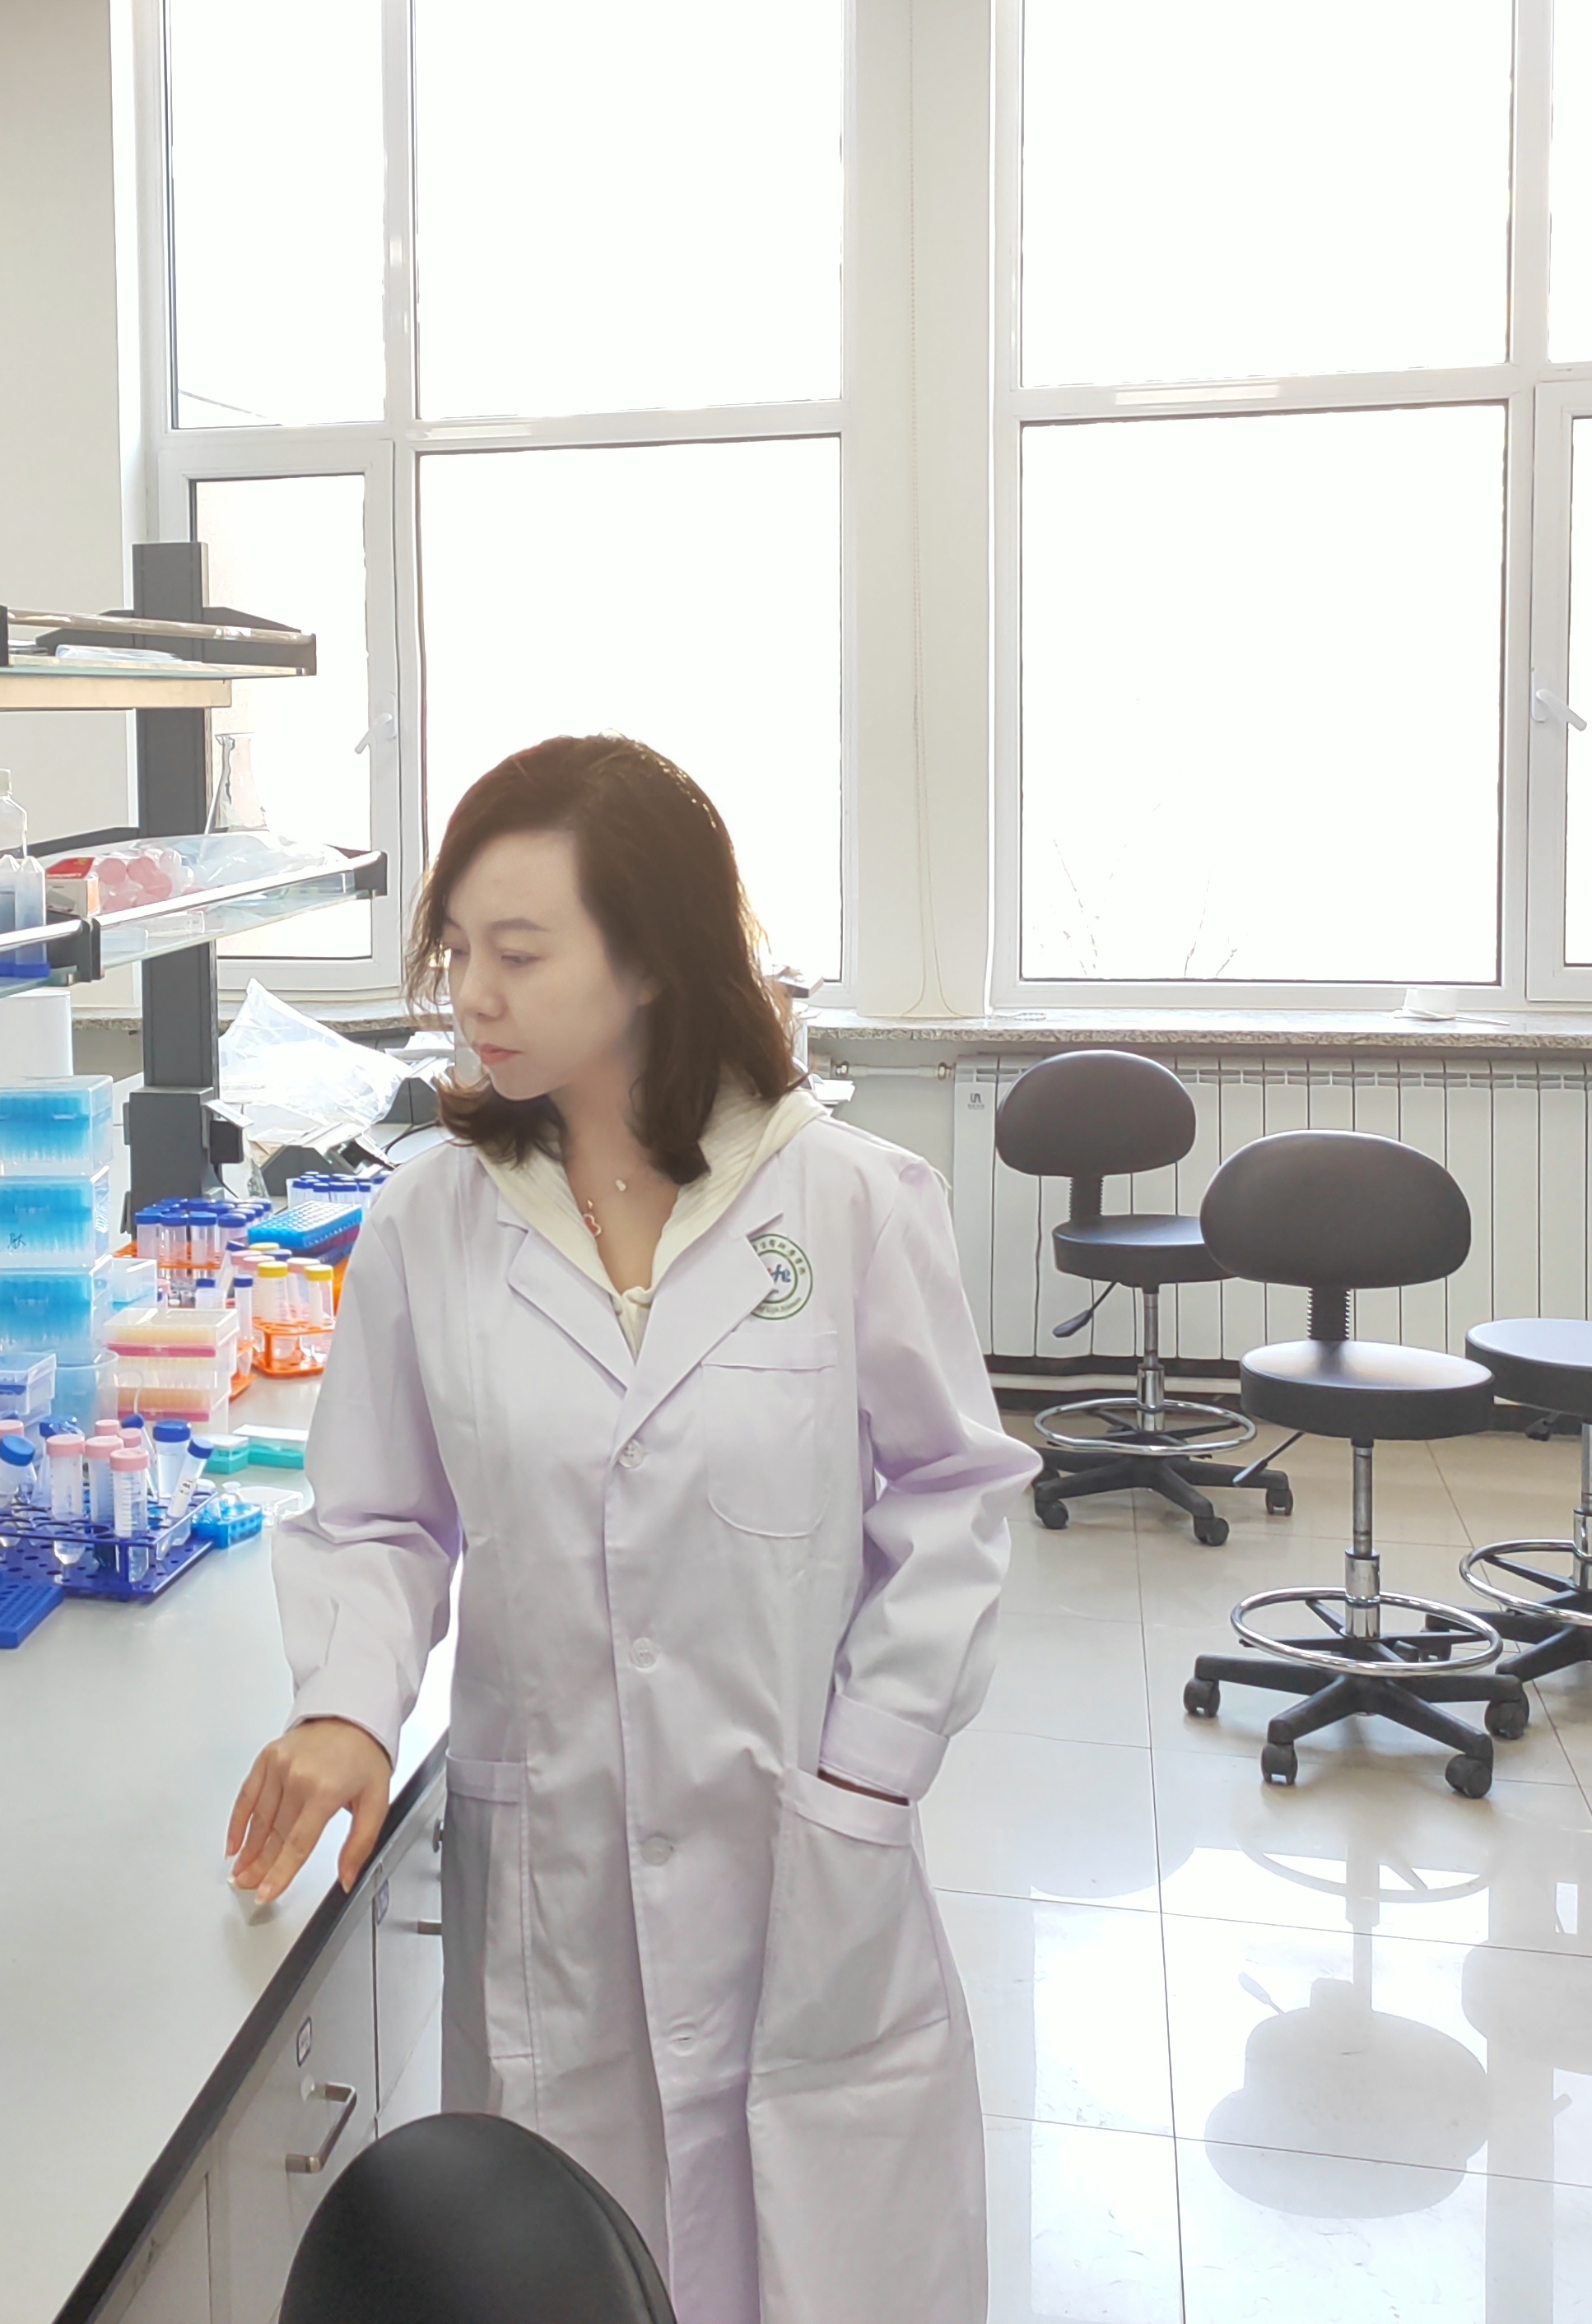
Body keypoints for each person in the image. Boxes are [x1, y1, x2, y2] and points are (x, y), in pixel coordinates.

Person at [225, 734, 1035, 2322]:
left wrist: (867, 1777)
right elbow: (379, 1513)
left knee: (813, 2257)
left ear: (653, 957)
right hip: (558, 1868)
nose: (474, 994)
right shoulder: (431, 1219)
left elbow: (953, 1495)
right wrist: (347, 1706)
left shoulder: (848, 1202)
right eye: (458, 950)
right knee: (575, 2267)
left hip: (801, 1851)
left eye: (522, 953)